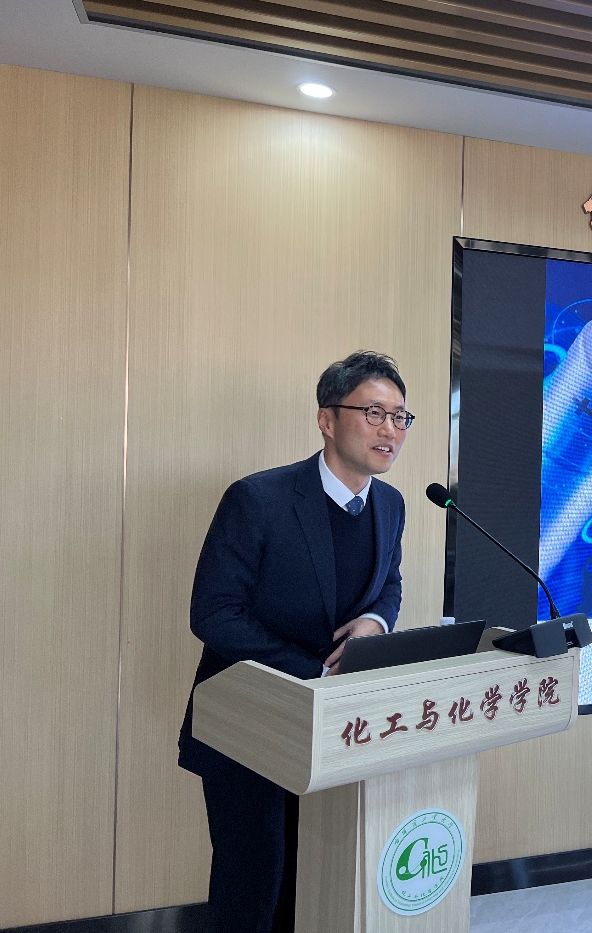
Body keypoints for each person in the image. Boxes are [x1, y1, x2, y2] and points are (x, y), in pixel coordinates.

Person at [177, 351, 414, 933]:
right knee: (253, 884)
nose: (389, 429)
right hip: (249, 721)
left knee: (315, 879)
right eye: (373, 413)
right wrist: (314, 672)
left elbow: (389, 584)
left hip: (334, 731)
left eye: (400, 417)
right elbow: (213, 613)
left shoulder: (391, 504)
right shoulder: (259, 499)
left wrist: (375, 622)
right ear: (327, 420)